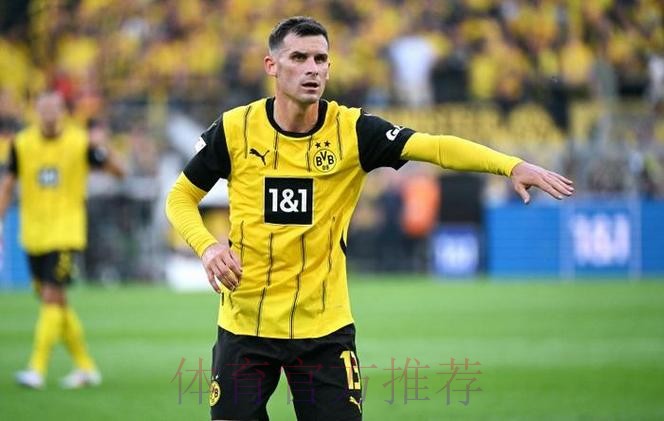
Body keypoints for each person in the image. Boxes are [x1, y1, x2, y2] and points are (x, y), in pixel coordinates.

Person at [165, 16, 574, 421]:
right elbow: (181, 197)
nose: (312, 68)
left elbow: (434, 147)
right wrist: (208, 247)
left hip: (324, 331)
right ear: (272, 65)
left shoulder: (353, 131)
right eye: (299, 57)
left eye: (320, 59)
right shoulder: (235, 129)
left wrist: (510, 165)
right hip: (245, 326)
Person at [0, 91, 124, 389]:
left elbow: (119, 172)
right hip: (33, 235)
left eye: (54, 109)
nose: (49, 115)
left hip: (66, 233)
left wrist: (103, 145)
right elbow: (8, 184)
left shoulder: (80, 142)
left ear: (63, 112)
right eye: (43, 110)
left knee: (51, 296)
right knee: (56, 303)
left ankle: (36, 369)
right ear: (35, 111)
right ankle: (86, 367)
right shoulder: (21, 144)